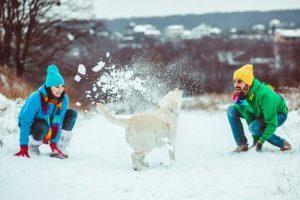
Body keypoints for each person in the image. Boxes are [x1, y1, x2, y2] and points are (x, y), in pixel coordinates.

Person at [14, 64, 77, 159]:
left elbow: (59, 121)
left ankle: (59, 147)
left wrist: (54, 144)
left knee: (72, 113)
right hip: (33, 125)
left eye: (62, 86)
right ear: (49, 87)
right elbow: (25, 122)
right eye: (56, 86)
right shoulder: (35, 98)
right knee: (42, 127)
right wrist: (23, 146)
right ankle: (32, 146)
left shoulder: (64, 99)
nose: (60, 89)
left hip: (50, 125)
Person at [227, 64, 292, 152]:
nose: (235, 85)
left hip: (278, 114)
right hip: (260, 114)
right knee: (232, 110)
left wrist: (261, 142)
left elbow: (271, 123)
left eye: (239, 81)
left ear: (247, 82)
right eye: (234, 81)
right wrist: (255, 139)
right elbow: (249, 117)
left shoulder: (264, 94)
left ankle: (283, 143)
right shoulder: (240, 96)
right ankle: (242, 145)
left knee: (255, 128)